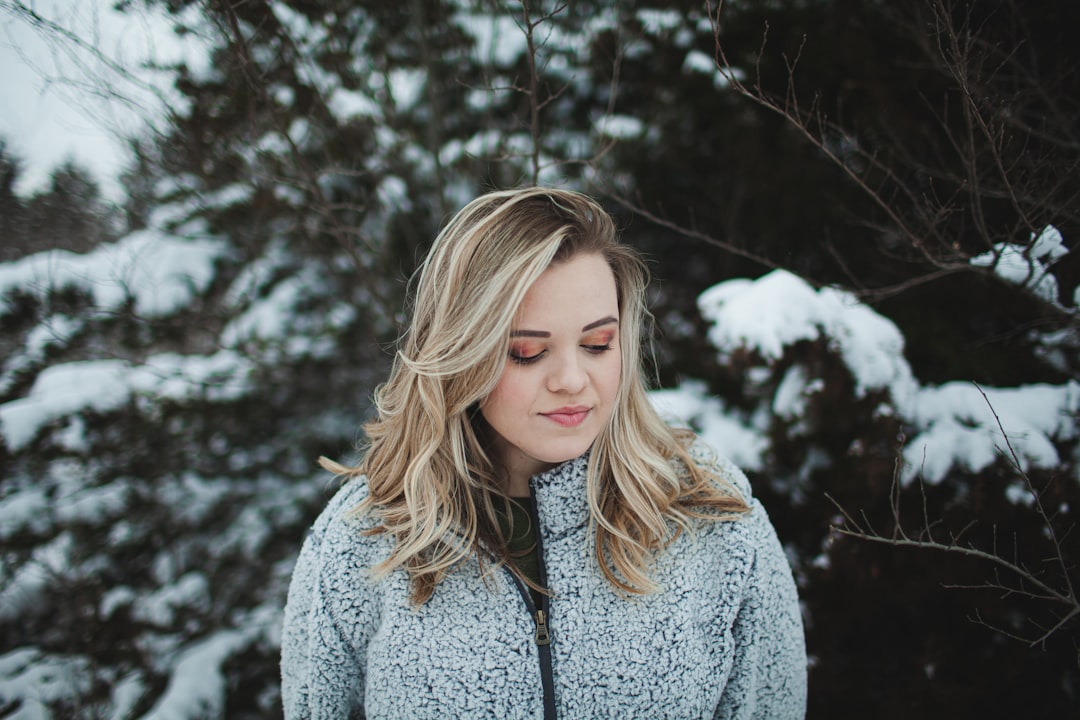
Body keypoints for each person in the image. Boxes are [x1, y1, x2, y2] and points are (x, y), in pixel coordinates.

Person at [280, 187, 807, 719]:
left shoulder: (711, 516)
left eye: (598, 343)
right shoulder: (362, 537)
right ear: (461, 353)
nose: (573, 380)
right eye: (527, 353)